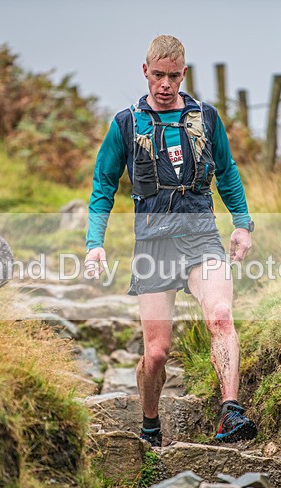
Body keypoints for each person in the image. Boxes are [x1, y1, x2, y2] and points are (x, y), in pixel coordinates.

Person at [84, 35, 256, 446]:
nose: (165, 84)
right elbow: (103, 184)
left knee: (220, 316)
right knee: (157, 353)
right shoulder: (125, 123)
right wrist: (95, 241)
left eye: (173, 76)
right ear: (145, 71)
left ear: (184, 74)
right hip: (153, 244)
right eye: (158, 75)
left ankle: (230, 412)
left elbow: (227, 172)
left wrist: (242, 223)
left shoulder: (206, 118)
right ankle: (150, 423)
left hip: (201, 236)